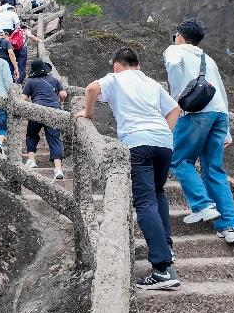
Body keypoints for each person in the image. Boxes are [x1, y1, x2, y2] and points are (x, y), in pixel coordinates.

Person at [76, 47, 182, 290]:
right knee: (158, 192)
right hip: (164, 143)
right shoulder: (151, 82)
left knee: (144, 202)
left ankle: (162, 269)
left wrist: (87, 113)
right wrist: (162, 133)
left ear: (116, 65)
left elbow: (91, 89)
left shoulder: (115, 78)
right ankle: (166, 248)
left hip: (137, 143)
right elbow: (175, 109)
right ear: (138, 64)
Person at [164, 18, 234, 244]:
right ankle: (229, 227)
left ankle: (202, 204)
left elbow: (173, 65)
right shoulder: (208, 59)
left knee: (179, 159)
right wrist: (227, 131)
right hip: (219, 114)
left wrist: (177, 100)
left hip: (196, 113)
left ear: (179, 36)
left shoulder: (174, 50)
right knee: (214, 169)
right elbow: (221, 92)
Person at [22, 59, 67, 179]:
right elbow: (63, 95)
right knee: (55, 139)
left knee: (31, 134)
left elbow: (23, 99)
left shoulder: (30, 82)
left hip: (37, 110)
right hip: (53, 112)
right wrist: (60, 102)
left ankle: (31, 160)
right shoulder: (54, 80)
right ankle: (58, 169)